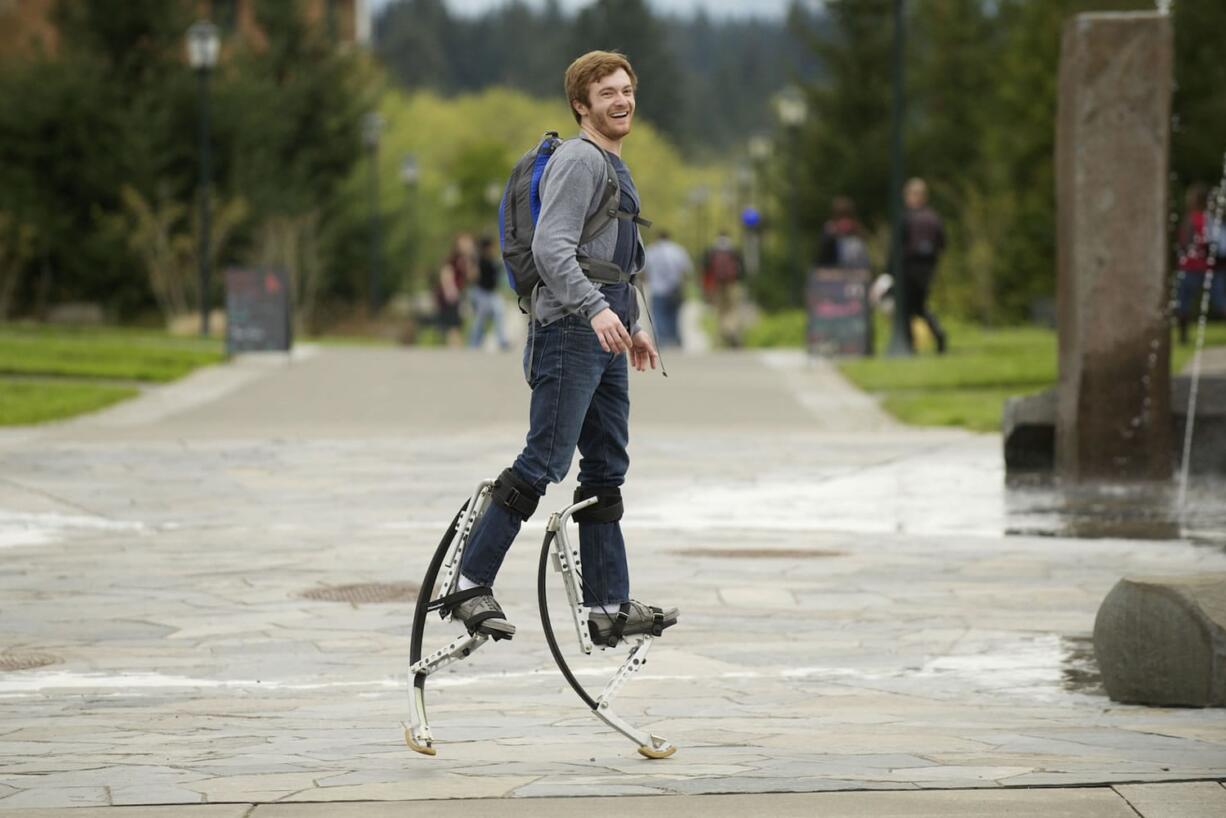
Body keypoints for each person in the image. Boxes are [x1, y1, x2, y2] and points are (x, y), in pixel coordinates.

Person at [449, 50, 678, 644]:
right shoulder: (580, 159)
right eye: (608, 94)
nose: (622, 101)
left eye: (627, 90)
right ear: (582, 106)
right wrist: (598, 308)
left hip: (606, 332)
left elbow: (622, 263)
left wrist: (638, 322)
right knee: (545, 461)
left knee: (606, 468)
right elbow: (553, 249)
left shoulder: (614, 166)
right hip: (571, 330)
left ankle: (607, 606)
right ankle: (469, 583)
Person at [899, 178, 947, 354]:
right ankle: (938, 333)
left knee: (905, 308)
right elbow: (942, 243)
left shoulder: (907, 218)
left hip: (909, 267)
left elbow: (898, 246)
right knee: (920, 306)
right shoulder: (934, 218)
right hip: (928, 267)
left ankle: (909, 345)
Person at [1175, 183, 1225, 345]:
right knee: (1219, 301)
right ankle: (1183, 337)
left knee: (1183, 302)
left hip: (1192, 266)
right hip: (1209, 268)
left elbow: (1186, 244)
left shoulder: (1193, 219)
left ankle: (1183, 337)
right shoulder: (1209, 219)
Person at [643, 229, 691, 348]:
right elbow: (686, 270)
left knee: (658, 314)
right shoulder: (678, 250)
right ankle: (674, 339)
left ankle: (662, 340)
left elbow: (643, 270)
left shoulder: (651, 250)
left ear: (657, 238)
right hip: (674, 289)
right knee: (674, 315)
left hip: (657, 289)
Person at [702, 230, 745, 347]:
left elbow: (706, 268)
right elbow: (742, 268)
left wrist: (707, 287)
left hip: (717, 284)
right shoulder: (733, 250)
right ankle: (732, 331)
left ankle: (724, 333)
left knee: (720, 310)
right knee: (732, 309)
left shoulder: (712, 250)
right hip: (732, 283)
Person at [468, 235, 510, 350]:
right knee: (480, 319)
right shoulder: (479, 260)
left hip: (491, 293)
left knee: (499, 312)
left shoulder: (494, 261)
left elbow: (499, 275)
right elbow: (473, 276)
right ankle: (474, 343)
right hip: (481, 292)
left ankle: (502, 341)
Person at [435, 234, 474, 347]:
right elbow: (446, 272)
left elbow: (471, 276)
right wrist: (449, 289)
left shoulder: (466, 259)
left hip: (458, 292)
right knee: (453, 323)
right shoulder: (454, 258)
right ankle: (455, 346)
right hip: (450, 293)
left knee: (456, 323)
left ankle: (455, 345)